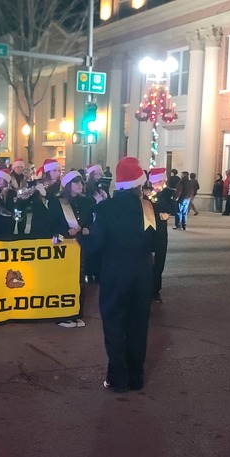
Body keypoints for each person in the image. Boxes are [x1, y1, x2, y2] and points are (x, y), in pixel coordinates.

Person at [87, 156, 160, 393]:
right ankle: (136, 377)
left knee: (114, 325)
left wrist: (81, 238)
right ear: (138, 184)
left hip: (115, 274)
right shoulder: (148, 207)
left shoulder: (104, 208)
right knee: (138, 326)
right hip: (141, 273)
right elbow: (155, 242)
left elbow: (96, 245)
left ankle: (118, 378)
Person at [52, 170, 94, 328]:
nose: (80, 185)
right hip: (64, 246)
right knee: (63, 279)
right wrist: (64, 232)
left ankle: (77, 313)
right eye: (76, 182)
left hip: (81, 244)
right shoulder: (59, 202)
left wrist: (87, 229)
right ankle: (62, 315)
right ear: (69, 185)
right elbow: (52, 224)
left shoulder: (87, 202)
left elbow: (91, 221)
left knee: (80, 279)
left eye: (81, 182)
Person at [150, 169, 178, 303]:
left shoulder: (165, 195)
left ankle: (155, 290)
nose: (162, 183)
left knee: (159, 263)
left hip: (160, 234)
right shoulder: (147, 195)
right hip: (149, 233)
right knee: (149, 263)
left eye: (163, 181)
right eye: (160, 181)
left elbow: (172, 208)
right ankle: (148, 289)